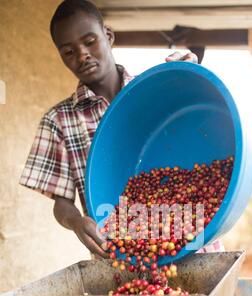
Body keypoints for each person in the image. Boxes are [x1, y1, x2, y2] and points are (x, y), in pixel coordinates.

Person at [20, 0, 222, 257]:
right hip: (124, 254)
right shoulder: (59, 120)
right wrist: (76, 223)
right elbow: (61, 203)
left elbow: (198, 122)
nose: (82, 55)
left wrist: (186, 74)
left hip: (195, 242)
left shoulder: (155, 89)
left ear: (108, 36)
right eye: (69, 51)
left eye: (90, 41)